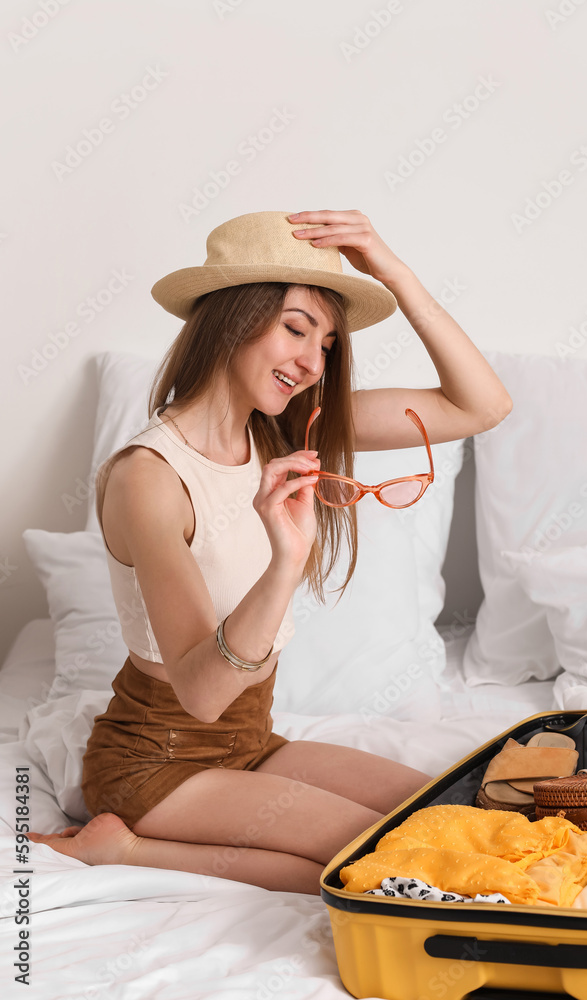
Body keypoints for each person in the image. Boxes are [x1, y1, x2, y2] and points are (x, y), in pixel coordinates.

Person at [28, 209, 513, 895]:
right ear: (231, 319)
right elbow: (200, 693)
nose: (312, 364)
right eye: (294, 329)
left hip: (251, 744)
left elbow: (481, 406)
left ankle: (123, 849)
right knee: (392, 858)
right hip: (157, 762)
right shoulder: (149, 477)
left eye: (327, 344)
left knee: (458, 812)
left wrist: (393, 274)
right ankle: (125, 848)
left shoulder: (284, 432)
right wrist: (286, 564)